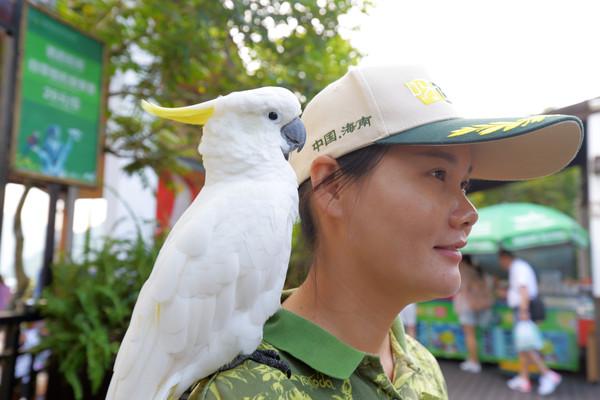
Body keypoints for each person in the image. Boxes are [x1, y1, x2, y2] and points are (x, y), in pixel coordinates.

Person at [188, 64, 582, 399]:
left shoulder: (420, 364)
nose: (469, 213)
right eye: (437, 174)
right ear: (331, 188)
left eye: (464, 184)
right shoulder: (242, 387)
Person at [498, 249, 562, 395]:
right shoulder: (519, 267)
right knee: (523, 347)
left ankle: (547, 374)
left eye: (500, 260)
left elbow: (523, 289)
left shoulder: (518, 268)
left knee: (527, 345)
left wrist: (523, 311)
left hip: (523, 310)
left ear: (505, 258)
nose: (500, 264)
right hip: (523, 309)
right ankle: (524, 378)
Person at [452, 255, 493, 373]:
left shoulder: (461, 269)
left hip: (466, 305)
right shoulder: (474, 269)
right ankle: (473, 359)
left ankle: (474, 362)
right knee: (474, 334)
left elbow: (461, 288)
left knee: (469, 335)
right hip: (474, 304)